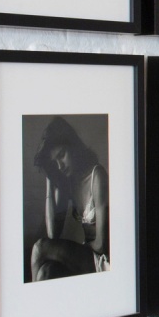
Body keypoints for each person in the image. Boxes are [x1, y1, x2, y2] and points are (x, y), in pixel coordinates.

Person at [28, 117, 108, 280]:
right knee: (45, 272)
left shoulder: (97, 176)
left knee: (39, 248)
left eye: (62, 155)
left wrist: (75, 250)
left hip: (103, 261)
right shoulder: (70, 181)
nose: (60, 165)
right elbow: (52, 234)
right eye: (54, 162)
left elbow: (101, 244)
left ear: (74, 146)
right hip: (87, 256)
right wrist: (50, 181)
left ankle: (30, 302)